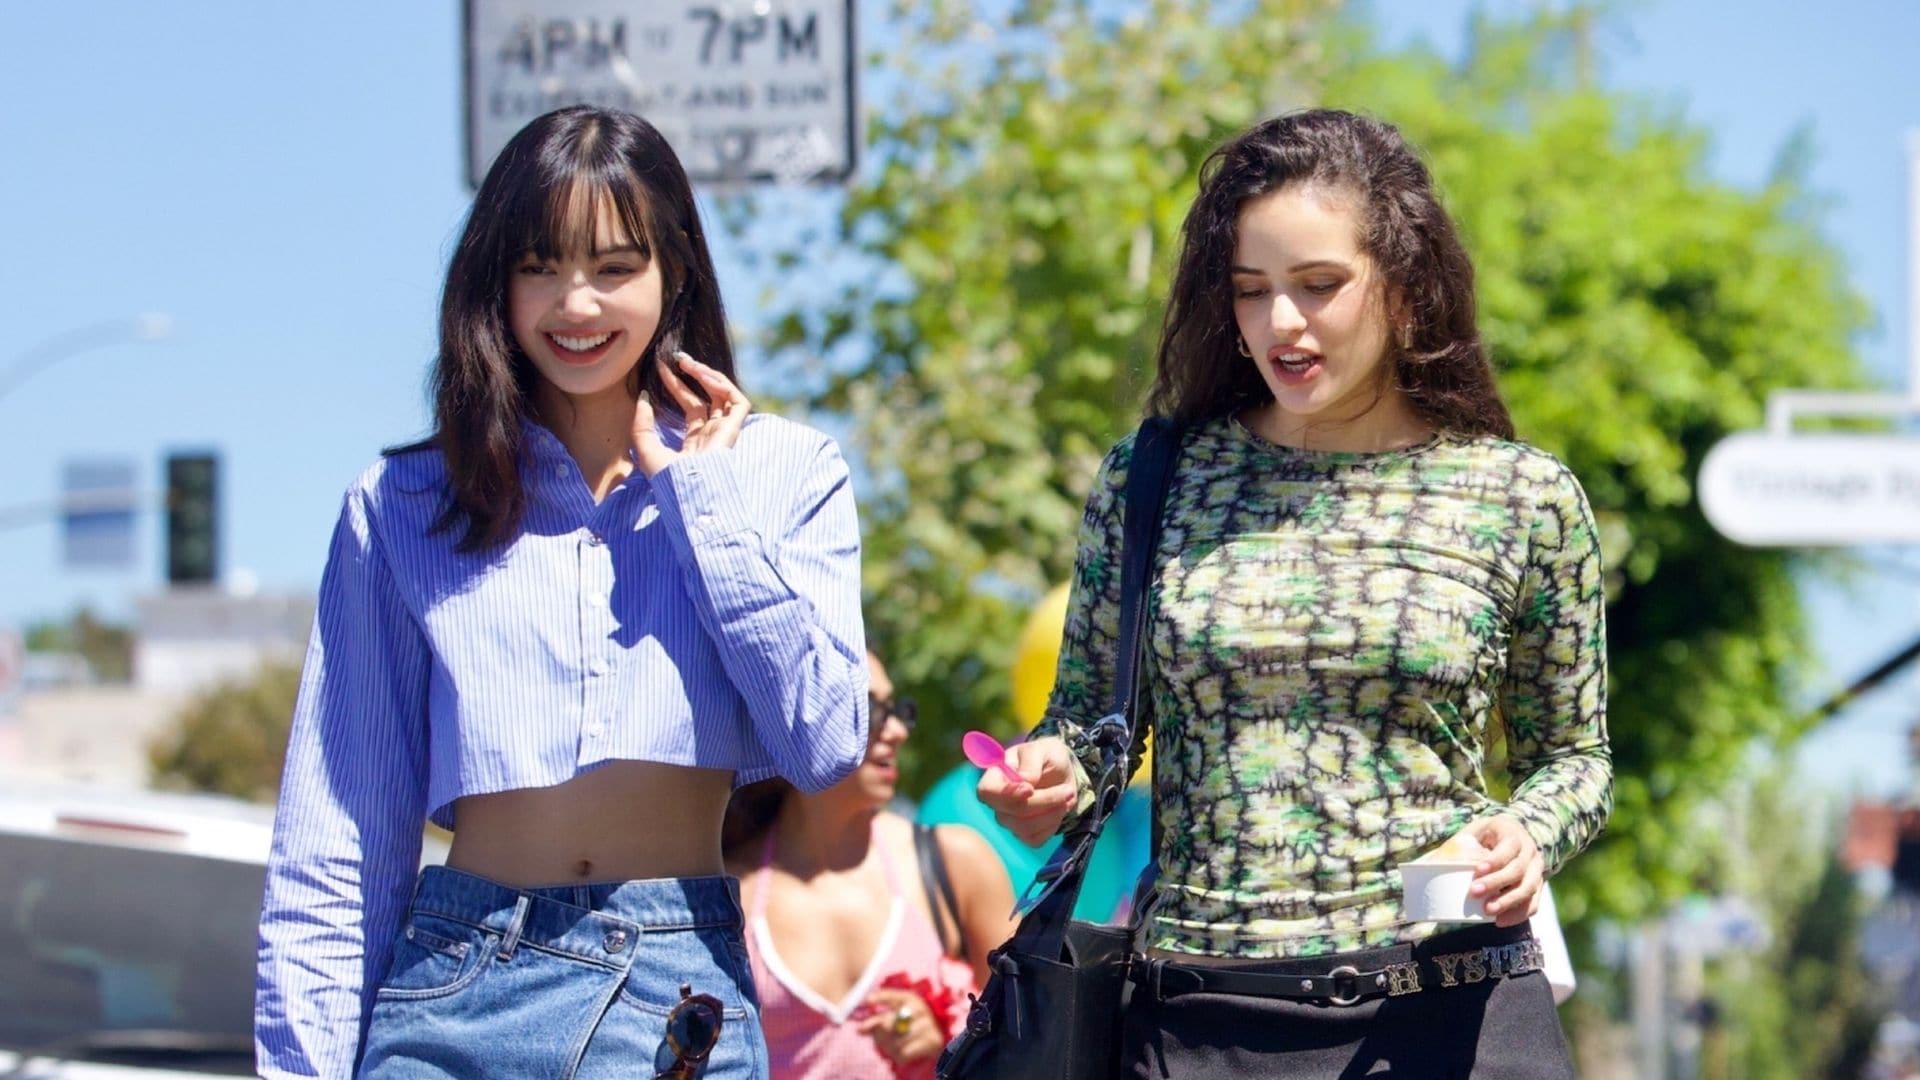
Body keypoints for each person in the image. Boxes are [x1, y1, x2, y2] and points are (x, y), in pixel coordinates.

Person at [979, 108, 1611, 1078]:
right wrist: (1050, 779)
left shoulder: (1522, 497)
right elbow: (1089, 729)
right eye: (1251, 291)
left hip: (1443, 1011)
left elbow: (1576, 759)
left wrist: (1527, 833)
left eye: (1319, 286)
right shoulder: (1156, 477)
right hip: (1196, 1023)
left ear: (1404, 283)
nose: (1282, 323)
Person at [254, 105, 869, 1079]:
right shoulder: (403, 506)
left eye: (615, 268)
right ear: (495, 281)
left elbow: (824, 741)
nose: (575, 305)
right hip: (449, 986)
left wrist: (702, 502)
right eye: (540, 264)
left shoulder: (786, 474)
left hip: (669, 994)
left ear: (676, 274)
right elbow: (339, 847)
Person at [723, 650, 1016, 1079]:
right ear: (791, 724)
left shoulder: (954, 861)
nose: (896, 731)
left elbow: (1032, 1029)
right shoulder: (728, 887)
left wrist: (947, 1033)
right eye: (868, 711)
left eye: (896, 711)